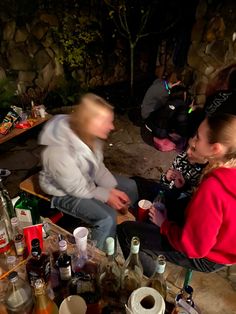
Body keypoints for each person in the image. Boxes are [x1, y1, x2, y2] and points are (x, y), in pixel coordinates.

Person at [118, 112, 236, 276]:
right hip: (213, 238)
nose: (192, 141)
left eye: (198, 138)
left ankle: (150, 286)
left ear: (215, 148)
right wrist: (183, 187)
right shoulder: (228, 167)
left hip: (210, 254)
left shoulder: (213, 187)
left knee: (126, 232)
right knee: (152, 190)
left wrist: (164, 224)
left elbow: (195, 247)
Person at [39, 93, 138, 250]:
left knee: (130, 186)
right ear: (91, 121)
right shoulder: (58, 151)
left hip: (85, 181)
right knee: (107, 218)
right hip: (63, 192)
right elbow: (76, 188)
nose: (112, 127)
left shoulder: (90, 136)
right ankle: (94, 261)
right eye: (107, 122)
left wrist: (111, 188)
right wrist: (107, 196)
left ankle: (126, 231)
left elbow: (97, 166)